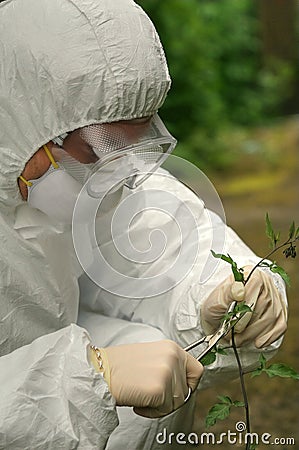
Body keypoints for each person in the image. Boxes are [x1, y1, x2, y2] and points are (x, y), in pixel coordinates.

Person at [0, 0, 287, 449]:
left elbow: (152, 238)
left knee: (144, 347)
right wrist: (79, 380)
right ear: (20, 117)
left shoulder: (77, 175)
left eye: (127, 148)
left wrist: (215, 291)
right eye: (97, 151)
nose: (112, 174)